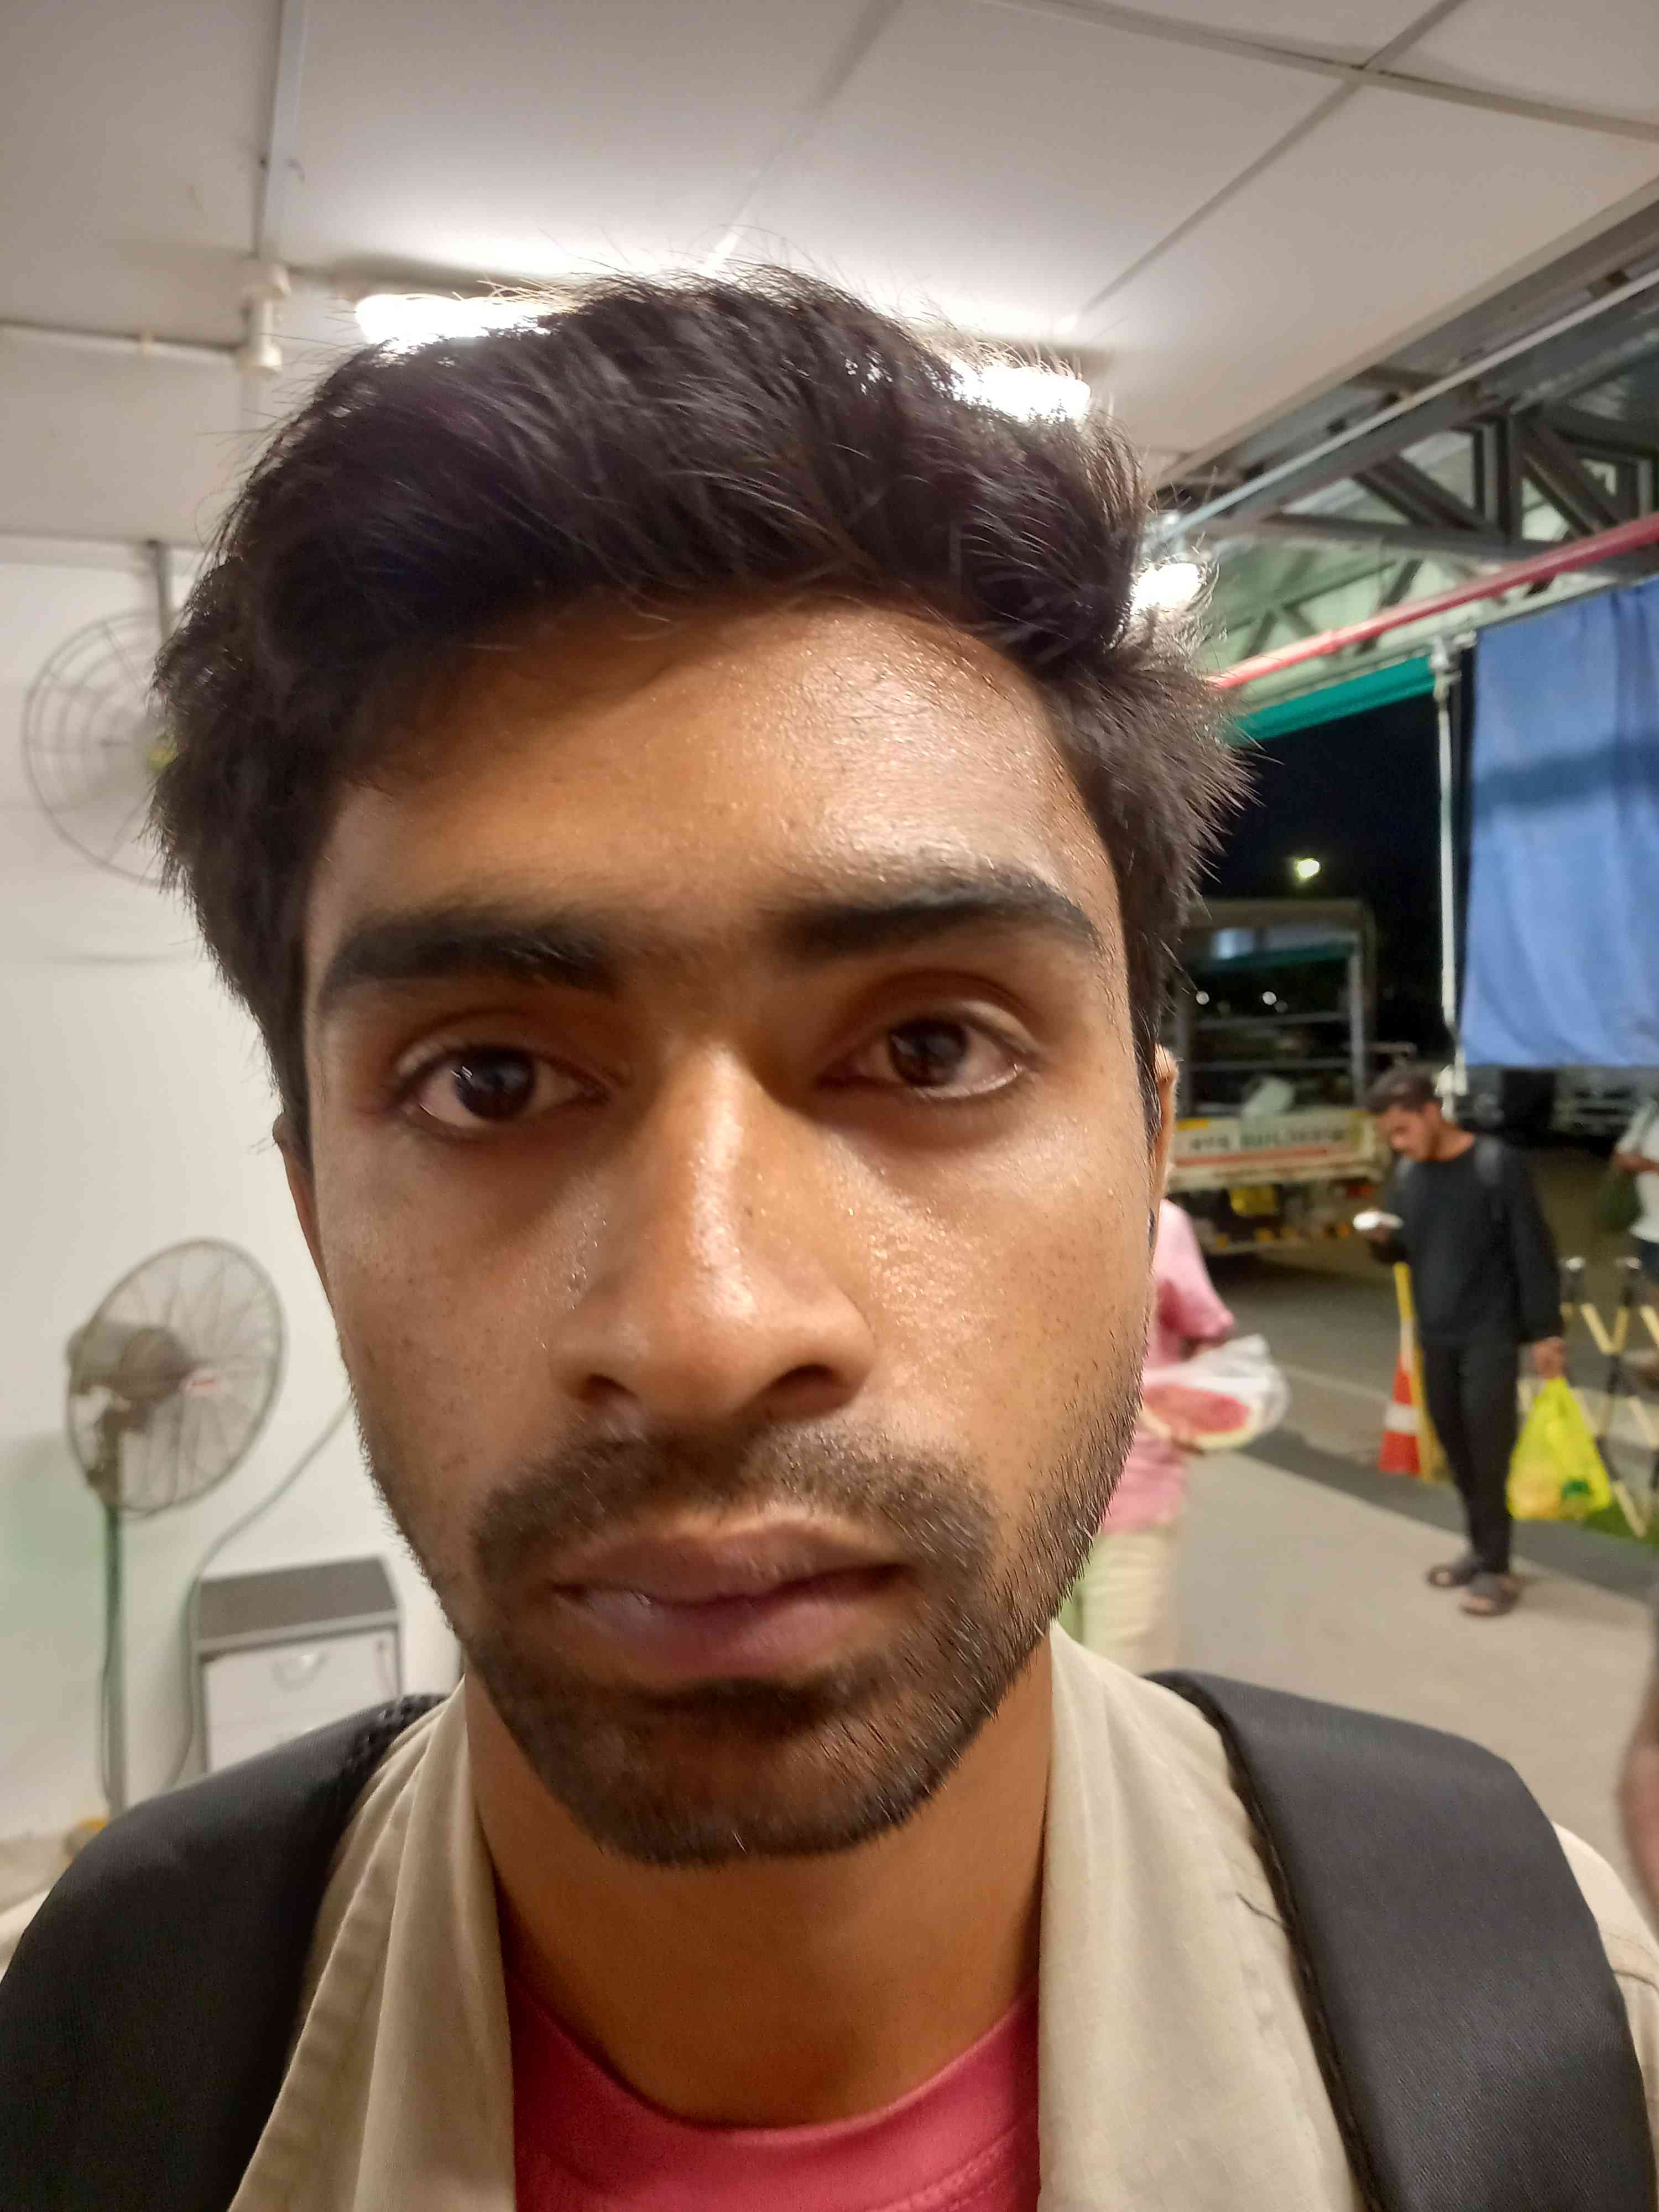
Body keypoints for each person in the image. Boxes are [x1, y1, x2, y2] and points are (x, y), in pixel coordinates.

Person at [4, 276, 1657, 2210]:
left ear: (1146, 1153)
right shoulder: (93, 2069)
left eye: (931, 1048)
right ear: (313, 1208)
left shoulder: (1560, 2040)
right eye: (490, 1083)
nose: (708, 1324)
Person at [1364, 1063, 1566, 1619]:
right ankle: (1479, 1550)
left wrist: (1546, 1331)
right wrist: (1381, 1240)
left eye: (1403, 1129)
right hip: (1436, 1336)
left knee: (1489, 1450)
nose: (1398, 1144)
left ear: (1432, 1111)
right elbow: (1402, 1246)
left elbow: (1533, 1250)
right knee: (1456, 1448)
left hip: (1490, 1334)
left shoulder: (1495, 1164)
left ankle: (1498, 1567)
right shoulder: (1410, 1173)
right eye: (1390, 1136)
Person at [1071, 1198, 1233, 1671]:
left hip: (1134, 1494)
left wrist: (1196, 1406)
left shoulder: (1162, 1222)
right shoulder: (997, 1206)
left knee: (1127, 1678)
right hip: (1020, 1513)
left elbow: (1205, 1330)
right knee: (1038, 1688)